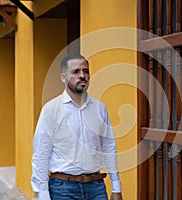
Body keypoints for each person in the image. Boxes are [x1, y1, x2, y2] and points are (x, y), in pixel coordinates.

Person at [31, 54, 123, 200]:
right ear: (63, 77)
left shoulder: (100, 108)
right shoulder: (51, 110)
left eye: (86, 71)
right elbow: (41, 154)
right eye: (75, 72)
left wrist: (116, 187)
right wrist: (42, 194)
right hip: (63, 190)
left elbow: (108, 147)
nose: (82, 75)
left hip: (96, 187)